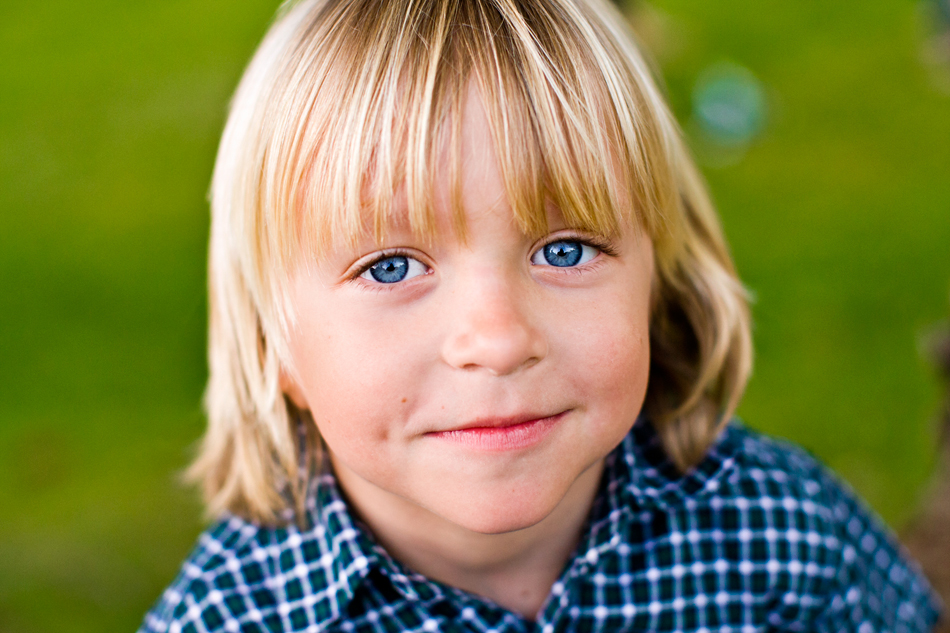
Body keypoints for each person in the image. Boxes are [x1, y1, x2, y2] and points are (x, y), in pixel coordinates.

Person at [139, 0, 943, 630]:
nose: (496, 338)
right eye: (390, 267)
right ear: (271, 342)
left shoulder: (781, 536)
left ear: (660, 281)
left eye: (564, 250)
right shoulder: (228, 618)